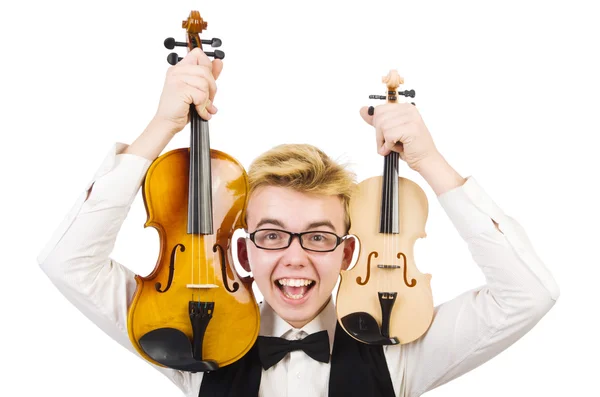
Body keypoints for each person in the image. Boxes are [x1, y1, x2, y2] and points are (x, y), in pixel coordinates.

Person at [37, 48, 559, 396]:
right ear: (243, 252)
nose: (294, 256)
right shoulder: (190, 337)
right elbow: (68, 263)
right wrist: (161, 127)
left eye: (317, 236)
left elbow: (528, 295)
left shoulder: (402, 353)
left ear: (348, 253)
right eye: (271, 235)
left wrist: (430, 163)